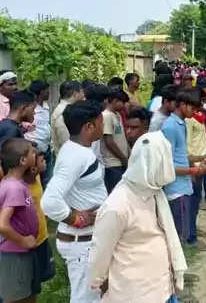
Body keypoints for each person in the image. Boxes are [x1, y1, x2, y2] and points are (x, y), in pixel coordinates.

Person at [89, 131, 187, 302]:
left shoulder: (154, 192)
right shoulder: (117, 205)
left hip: (163, 288)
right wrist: (98, 282)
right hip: (136, 293)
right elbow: (100, 252)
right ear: (154, 165)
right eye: (164, 161)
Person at [42, 100, 106, 303]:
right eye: (101, 123)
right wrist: (76, 219)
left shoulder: (79, 150)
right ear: (90, 127)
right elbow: (49, 201)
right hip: (81, 243)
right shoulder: (75, 157)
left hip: (89, 240)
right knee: (85, 299)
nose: (104, 127)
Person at [161, 91, 206, 243]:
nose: (195, 112)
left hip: (184, 186)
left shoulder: (181, 124)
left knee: (183, 230)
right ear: (182, 105)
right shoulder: (170, 126)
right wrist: (194, 170)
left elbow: (182, 156)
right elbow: (167, 164)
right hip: (176, 189)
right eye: (193, 108)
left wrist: (201, 159)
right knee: (179, 235)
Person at [0, 139, 39, 303]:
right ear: (23, 160)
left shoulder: (15, 183)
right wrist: (22, 240)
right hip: (15, 254)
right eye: (31, 152)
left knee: (26, 294)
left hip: (21, 253)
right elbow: (2, 224)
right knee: (17, 298)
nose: (35, 154)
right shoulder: (13, 188)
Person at [24, 145, 55, 292]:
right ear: (33, 168)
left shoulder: (35, 177)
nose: (45, 162)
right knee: (28, 284)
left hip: (41, 237)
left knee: (39, 282)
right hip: (29, 243)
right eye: (41, 160)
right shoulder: (19, 187)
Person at [185, 89, 206, 249]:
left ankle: (194, 229)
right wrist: (192, 167)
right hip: (194, 165)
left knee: (196, 200)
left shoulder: (199, 117)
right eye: (201, 101)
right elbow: (188, 145)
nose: (203, 103)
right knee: (192, 201)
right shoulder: (189, 121)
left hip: (202, 161)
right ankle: (191, 237)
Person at [101, 89, 130, 194]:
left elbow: (122, 137)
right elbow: (109, 141)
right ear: (114, 101)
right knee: (115, 194)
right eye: (122, 102)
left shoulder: (117, 115)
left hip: (121, 162)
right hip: (112, 163)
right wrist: (123, 157)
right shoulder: (106, 116)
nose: (123, 105)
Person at [25, 80, 52, 186]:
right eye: (47, 91)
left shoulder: (46, 106)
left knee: (47, 179)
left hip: (46, 148)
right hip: (35, 150)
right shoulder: (31, 108)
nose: (49, 93)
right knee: (35, 180)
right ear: (41, 92)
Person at [51, 81, 84, 155]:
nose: (83, 96)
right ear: (75, 94)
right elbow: (66, 141)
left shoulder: (67, 110)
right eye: (82, 92)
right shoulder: (63, 113)